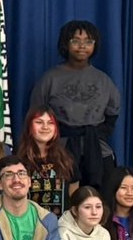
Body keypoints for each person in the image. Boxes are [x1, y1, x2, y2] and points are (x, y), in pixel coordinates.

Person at [28, 20, 120, 189]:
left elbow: (112, 114)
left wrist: (96, 133)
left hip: (97, 153)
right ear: (65, 43)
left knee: (98, 204)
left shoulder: (103, 80)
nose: (82, 46)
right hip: (59, 152)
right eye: (75, 41)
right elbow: (35, 114)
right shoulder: (50, 79)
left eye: (88, 41)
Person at [17, 107, 77, 220]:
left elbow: (74, 197)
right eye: (39, 122)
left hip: (61, 227)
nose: (45, 127)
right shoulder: (19, 160)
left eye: (50, 123)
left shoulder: (66, 159)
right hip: (29, 223)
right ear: (29, 127)